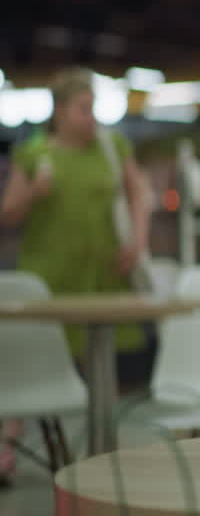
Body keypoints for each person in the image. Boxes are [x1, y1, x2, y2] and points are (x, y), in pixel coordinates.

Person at [0, 67, 153, 482]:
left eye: (93, 109)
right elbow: (8, 215)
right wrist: (33, 192)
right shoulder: (35, 154)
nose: (91, 118)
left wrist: (138, 241)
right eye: (84, 109)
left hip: (104, 271)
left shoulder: (112, 146)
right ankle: (8, 452)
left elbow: (139, 192)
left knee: (103, 364)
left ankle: (99, 454)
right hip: (51, 274)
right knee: (36, 363)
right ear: (61, 112)